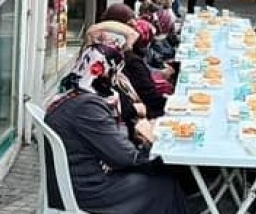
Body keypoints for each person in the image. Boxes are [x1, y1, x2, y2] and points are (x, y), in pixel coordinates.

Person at [44, 43, 188, 214]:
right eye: (115, 72)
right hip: (88, 189)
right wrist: (149, 141)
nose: (116, 79)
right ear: (104, 72)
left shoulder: (71, 93)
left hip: (71, 180)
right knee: (164, 182)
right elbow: (125, 157)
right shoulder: (88, 107)